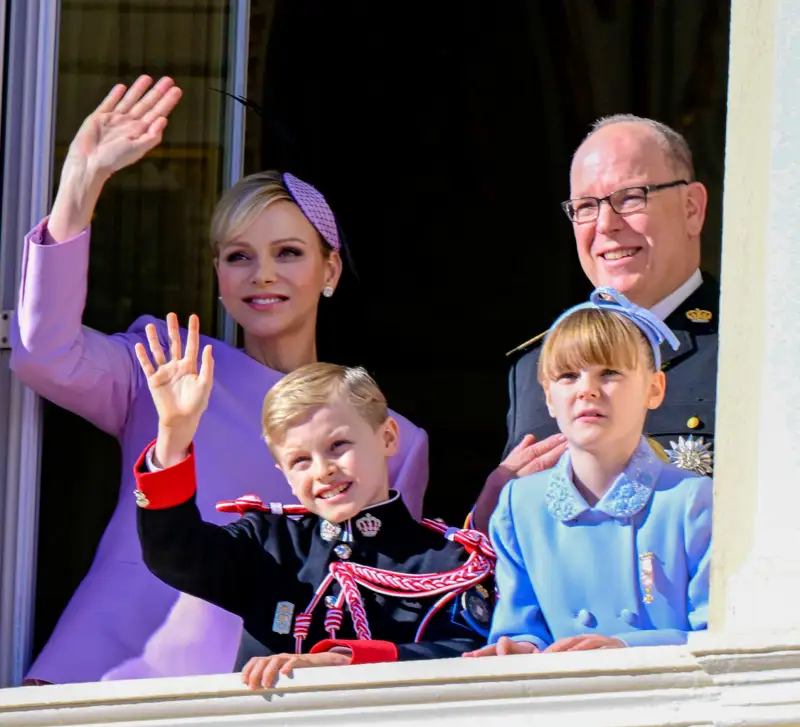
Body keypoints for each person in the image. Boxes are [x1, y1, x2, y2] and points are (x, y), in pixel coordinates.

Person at [10, 76, 429, 685]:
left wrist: (491, 511)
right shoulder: (167, 361)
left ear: (330, 268)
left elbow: (390, 586)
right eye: (238, 256)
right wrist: (81, 183)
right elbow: (42, 354)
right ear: (218, 275)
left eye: (288, 252)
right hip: (107, 677)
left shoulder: (395, 437)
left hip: (261, 697)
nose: (262, 275)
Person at [132, 338, 494, 690]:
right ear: (283, 474)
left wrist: (346, 660)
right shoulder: (269, 544)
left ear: (387, 438)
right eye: (300, 461)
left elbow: (471, 655)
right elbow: (174, 554)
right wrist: (172, 436)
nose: (322, 471)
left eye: (338, 446)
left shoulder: (449, 561)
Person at [473, 115, 717, 531]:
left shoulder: (749, 346)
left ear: (692, 209)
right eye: (586, 207)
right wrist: (488, 510)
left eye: (631, 198)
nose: (605, 225)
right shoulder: (537, 366)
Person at [464, 287, 712, 658]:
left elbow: (721, 635)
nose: (587, 391)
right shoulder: (519, 506)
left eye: (609, 372)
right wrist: (516, 649)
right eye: (567, 376)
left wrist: (624, 647)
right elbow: (521, 624)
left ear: (654, 388)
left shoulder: (693, 501)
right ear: (547, 396)